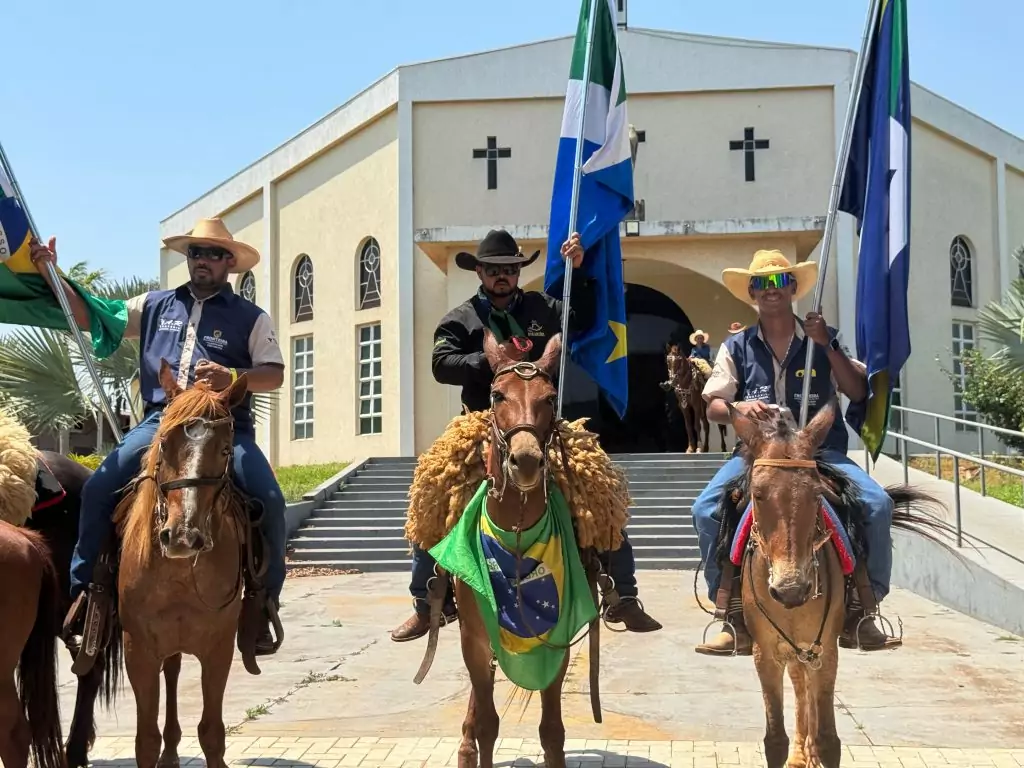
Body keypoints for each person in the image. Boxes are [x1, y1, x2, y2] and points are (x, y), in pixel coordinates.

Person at [390, 229, 663, 641]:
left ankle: (621, 593)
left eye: (510, 269)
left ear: (518, 272)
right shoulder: (461, 318)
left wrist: (578, 272)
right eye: (493, 269)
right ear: (479, 272)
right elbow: (441, 363)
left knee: (597, 488)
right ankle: (427, 601)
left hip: (543, 422)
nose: (502, 276)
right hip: (481, 422)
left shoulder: (544, 307)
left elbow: (581, 321)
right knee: (435, 490)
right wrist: (490, 361)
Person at [32, 218, 288, 655]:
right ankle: (85, 594)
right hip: (161, 422)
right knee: (97, 489)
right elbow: (91, 314)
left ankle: (263, 602)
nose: (202, 260)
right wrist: (49, 270)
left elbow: (274, 374)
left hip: (222, 425)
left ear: (229, 262)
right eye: (195, 252)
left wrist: (233, 376)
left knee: (270, 500)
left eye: (213, 253)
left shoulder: (251, 317)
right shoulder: (153, 304)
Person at [690, 249, 897, 656]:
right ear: (752, 292)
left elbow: (857, 391)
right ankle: (729, 613)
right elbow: (712, 405)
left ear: (793, 288)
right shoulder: (736, 346)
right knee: (705, 510)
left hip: (820, 453)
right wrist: (739, 407)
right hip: (758, 456)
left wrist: (827, 346)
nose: (771, 289)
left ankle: (864, 608)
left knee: (878, 504)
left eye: (779, 281)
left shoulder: (824, 337)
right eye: (762, 283)